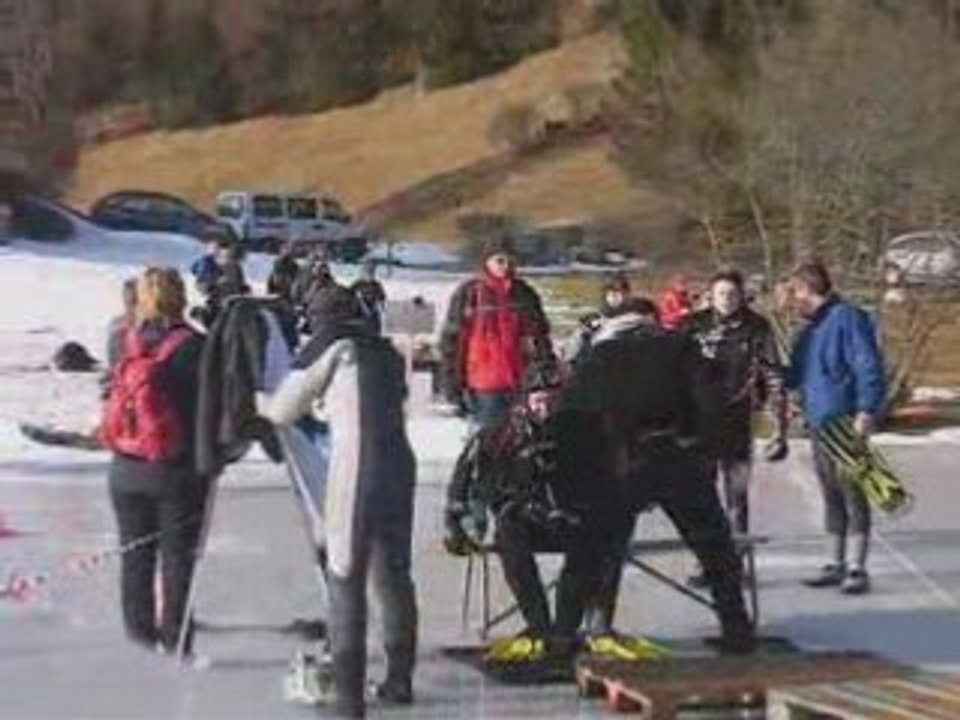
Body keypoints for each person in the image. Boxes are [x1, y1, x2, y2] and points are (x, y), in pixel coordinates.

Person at [562, 299, 756, 654]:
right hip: (676, 453)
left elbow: (572, 418)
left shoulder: (596, 356)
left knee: (598, 547)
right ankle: (736, 627)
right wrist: (703, 445)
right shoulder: (679, 346)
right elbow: (712, 401)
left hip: (618, 462)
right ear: (651, 319)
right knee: (713, 544)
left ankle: (576, 630)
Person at [261, 289, 418, 719]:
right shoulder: (384, 350)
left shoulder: (332, 345)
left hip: (357, 471)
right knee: (394, 576)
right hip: (400, 467)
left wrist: (254, 401)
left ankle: (349, 701)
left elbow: (282, 410)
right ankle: (399, 680)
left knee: (345, 576)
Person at [444, 361, 609, 663]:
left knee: (592, 541)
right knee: (509, 529)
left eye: (552, 400)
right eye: (539, 401)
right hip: (524, 523)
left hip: (573, 521)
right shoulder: (501, 435)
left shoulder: (584, 431)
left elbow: (607, 481)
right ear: (526, 400)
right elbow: (464, 480)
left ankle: (564, 629)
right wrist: (458, 521)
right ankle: (538, 625)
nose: (545, 409)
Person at [101, 267, 206, 654]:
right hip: (175, 469)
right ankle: (176, 638)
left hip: (125, 466)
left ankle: (139, 637)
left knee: (135, 555)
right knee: (177, 558)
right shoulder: (194, 345)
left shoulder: (121, 342)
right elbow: (206, 411)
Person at [682, 270, 789, 587]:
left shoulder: (757, 328)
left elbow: (773, 376)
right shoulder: (694, 326)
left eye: (732, 294)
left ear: (741, 296)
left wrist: (776, 425)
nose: (727, 300)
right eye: (721, 294)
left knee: (736, 497)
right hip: (699, 424)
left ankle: (734, 563)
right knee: (701, 497)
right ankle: (705, 561)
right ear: (710, 296)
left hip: (737, 423)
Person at [787, 260, 886, 595]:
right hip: (818, 421)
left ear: (808, 289)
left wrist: (866, 408)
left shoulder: (847, 319)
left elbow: (867, 364)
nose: (792, 299)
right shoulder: (809, 329)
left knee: (852, 490)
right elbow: (796, 372)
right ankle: (835, 561)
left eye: (795, 292)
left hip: (845, 418)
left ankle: (858, 566)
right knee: (830, 490)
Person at [439, 237, 554, 431]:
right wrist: (451, 384)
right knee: (488, 446)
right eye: (500, 261)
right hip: (483, 385)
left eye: (509, 260)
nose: (505, 266)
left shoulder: (524, 293)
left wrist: (544, 374)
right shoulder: (469, 294)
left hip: (520, 383)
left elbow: (540, 337)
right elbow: (452, 341)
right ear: (487, 262)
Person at [563, 274, 634, 366]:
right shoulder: (592, 320)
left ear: (628, 295)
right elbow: (572, 353)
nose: (614, 297)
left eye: (619, 293)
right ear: (605, 296)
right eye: (610, 293)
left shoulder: (638, 317)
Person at [350, 261, 387, 335]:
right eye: (368, 272)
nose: (370, 275)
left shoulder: (376, 285)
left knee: (374, 328)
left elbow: (382, 298)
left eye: (372, 273)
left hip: (373, 314)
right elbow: (349, 296)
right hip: (359, 313)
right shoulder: (357, 284)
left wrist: (380, 304)